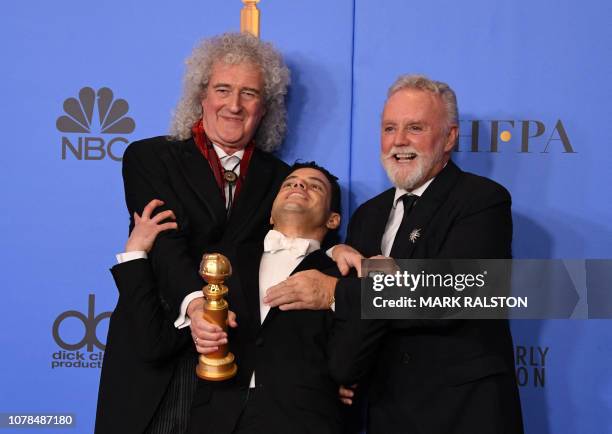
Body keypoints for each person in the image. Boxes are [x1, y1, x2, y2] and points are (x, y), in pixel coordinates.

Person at [265, 75, 524, 434]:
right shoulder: (369, 214)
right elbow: (358, 324)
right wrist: (342, 373)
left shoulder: (481, 200)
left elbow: (455, 291)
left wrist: (333, 293)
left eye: (415, 128)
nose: (399, 141)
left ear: (449, 137)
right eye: (389, 128)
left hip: (462, 412)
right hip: (384, 411)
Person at [96, 32, 291, 434]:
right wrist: (197, 306)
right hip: (157, 343)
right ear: (202, 95)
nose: (234, 105)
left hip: (237, 360)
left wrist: (339, 255)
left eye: (249, 93)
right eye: (223, 89)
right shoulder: (150, 157)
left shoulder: (283, 179)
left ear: (265, 107)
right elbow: (165, 243)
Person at [109, 162, 348, 434]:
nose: (299, 185)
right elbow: (154, 342)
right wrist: (135, 255)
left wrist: (348, 274)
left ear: (333, 219)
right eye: (290, 182)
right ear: (270, 214)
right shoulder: (219, 262)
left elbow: (380, 328)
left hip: (304, 422)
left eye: (314, 185)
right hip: (215, 420)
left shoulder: (345, 274)